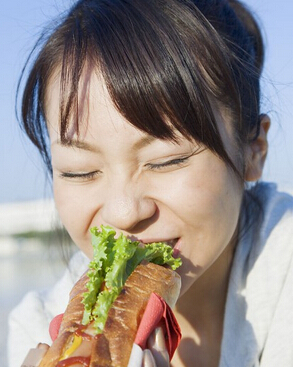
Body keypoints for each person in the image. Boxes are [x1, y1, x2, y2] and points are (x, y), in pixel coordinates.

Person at [8, 0, 293, 366]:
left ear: (254, 149)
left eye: (165, 161)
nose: (124, 212)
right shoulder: (34, 325)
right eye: (80, 171)